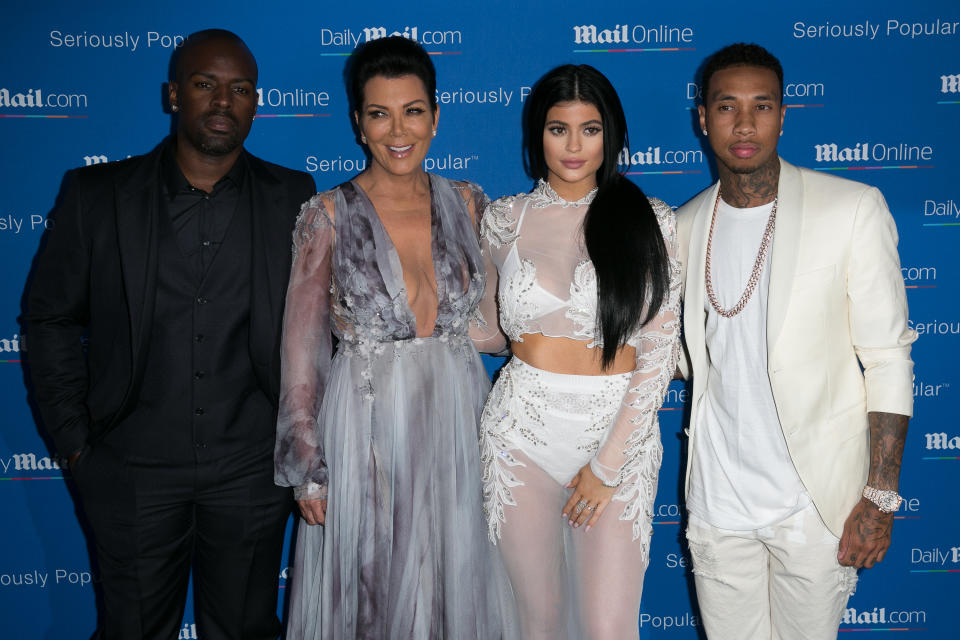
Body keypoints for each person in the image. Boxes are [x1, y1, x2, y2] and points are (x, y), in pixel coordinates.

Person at [25, 29, 315, 640]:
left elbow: (319, 331)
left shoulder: (295, 197)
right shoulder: (97, 195)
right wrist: (77, 443)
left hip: (251, 472)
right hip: (130, 470)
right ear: (174, 94)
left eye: (239, 89)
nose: (222, 102)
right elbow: (49, 320)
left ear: (256, 102)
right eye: (205, 84)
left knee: (245, 631)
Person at [274, 36, 514, 639]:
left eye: (412, 110)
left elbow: (494, 327)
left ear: (436, 115)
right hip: (366, 433)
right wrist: (309, 468)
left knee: (453, 584)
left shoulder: (469, 203)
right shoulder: (327, 216)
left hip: (457, 423)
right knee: (370, 590)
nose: (397, 130)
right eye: (379, 113)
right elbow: (301, 356)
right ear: (358, 123)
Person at [676, 43, 916, 639]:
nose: (745, 123)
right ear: (703, 119)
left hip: (814, 504)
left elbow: (886, 358)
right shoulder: (681, 227)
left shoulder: (851, 208)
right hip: (717, 502)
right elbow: (687, 359)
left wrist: (880, 497)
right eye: (727, 106)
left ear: (784, 115)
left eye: (762, 105)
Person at [471, 64, 681, 640]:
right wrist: (415, 315)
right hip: (519, 433)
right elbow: (491, 331)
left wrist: (607, 466)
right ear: (536, 134)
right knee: (535, 624)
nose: (573, 145)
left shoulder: (652, 223)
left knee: (606, 628)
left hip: (616, 435)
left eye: (590, 129)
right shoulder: (503, 219)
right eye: (558, 128)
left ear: (611, 135)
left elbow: (658, 354)